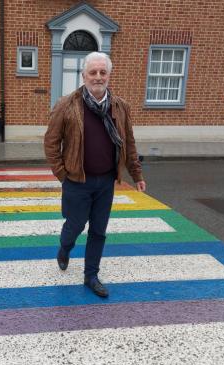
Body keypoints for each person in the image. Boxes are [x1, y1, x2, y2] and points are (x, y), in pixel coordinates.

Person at [44, 51, 146, 298]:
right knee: (75, 225)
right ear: (84, 75)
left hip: (105, 181)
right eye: (93, 72)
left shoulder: (120, 107)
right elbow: (51, 142)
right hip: (77, 181)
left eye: (103, 72)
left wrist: (136, 173)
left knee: (99, 230)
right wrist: (62, 174)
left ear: (109, 75)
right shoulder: (66, 105)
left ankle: (91, 275)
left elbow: (128, 143)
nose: (98, 77)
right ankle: (64, 248)